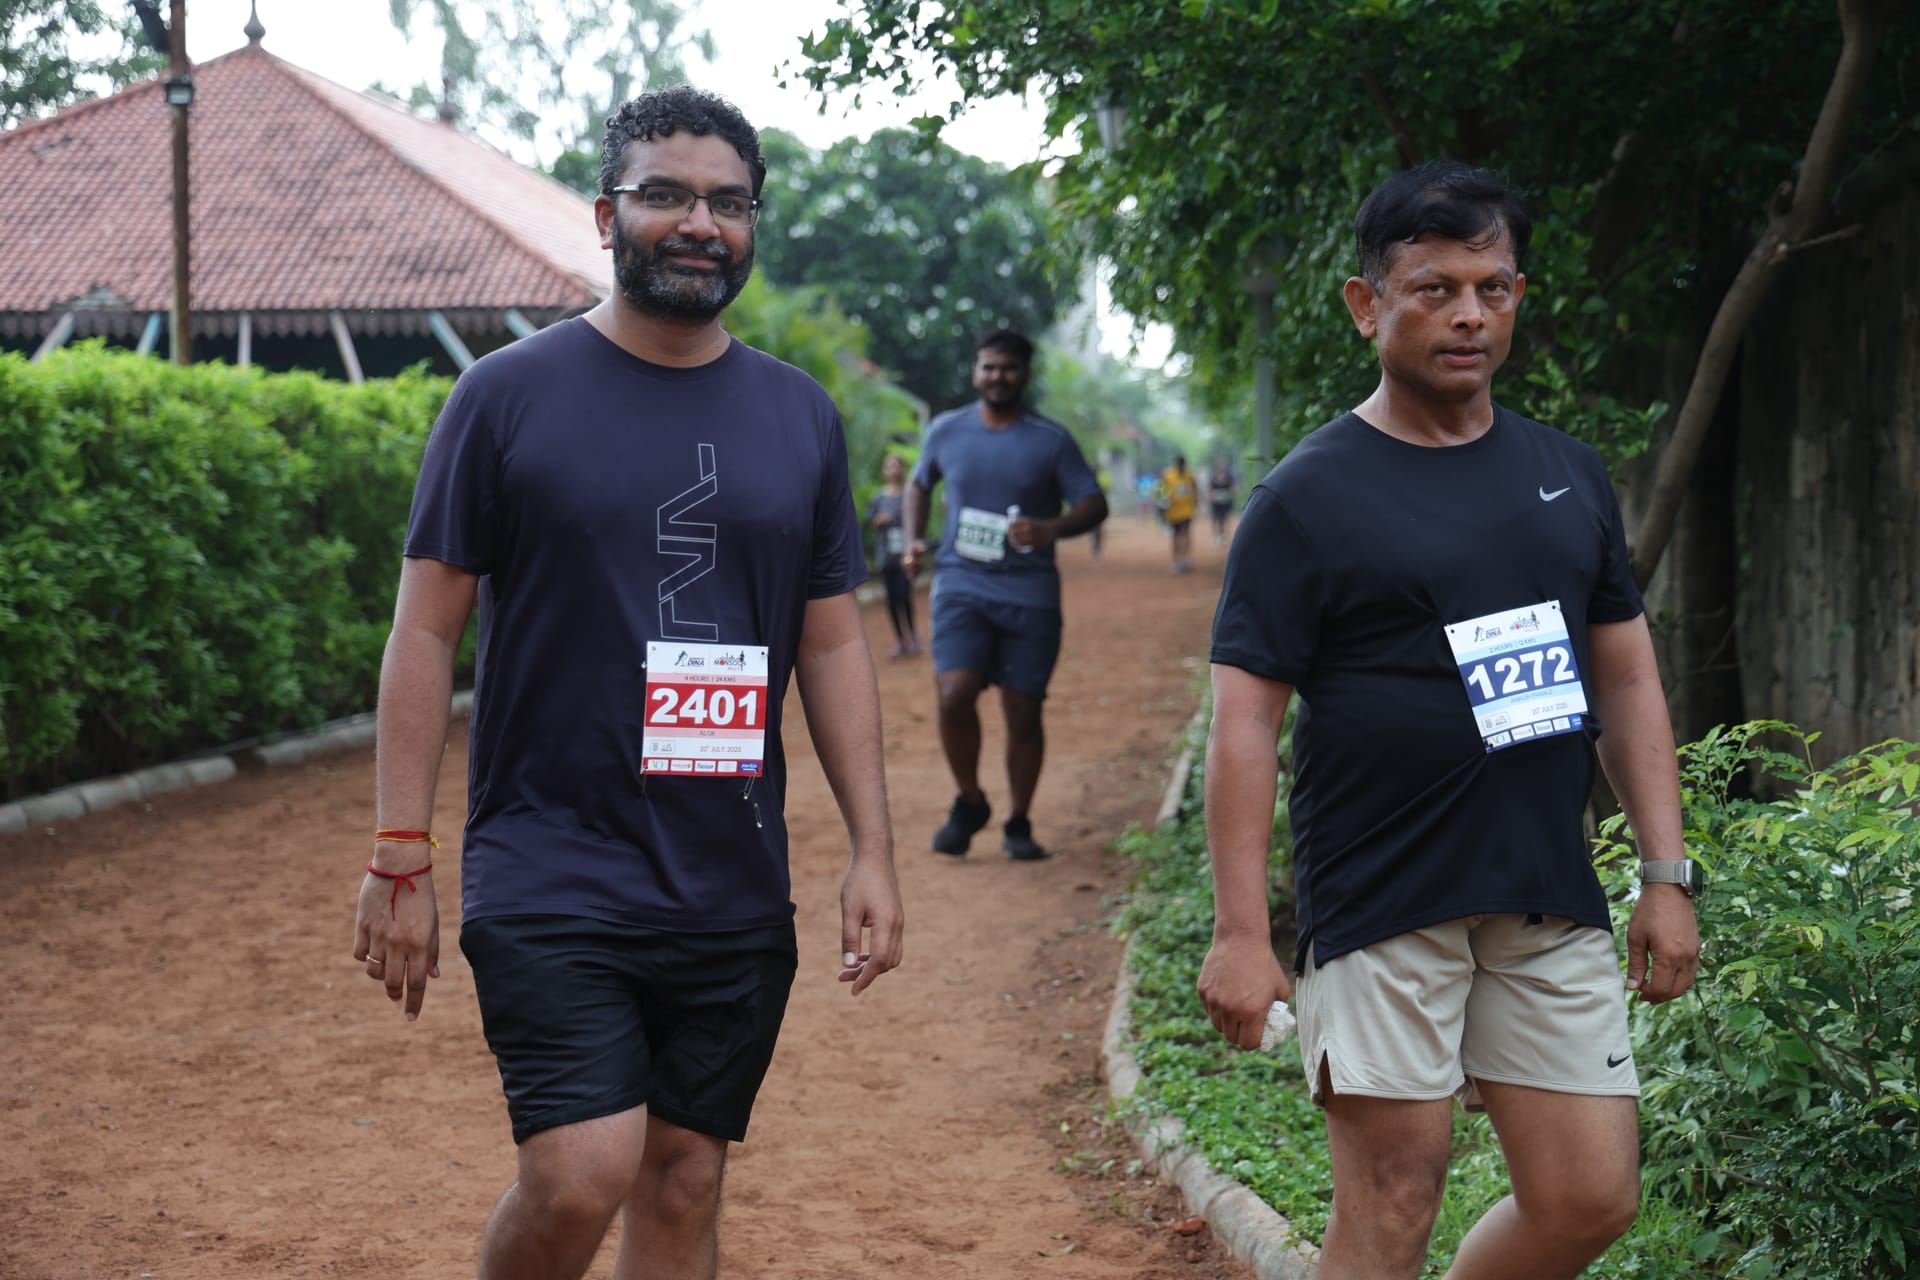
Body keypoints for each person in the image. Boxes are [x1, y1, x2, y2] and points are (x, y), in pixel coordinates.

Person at [352, 85, 905, 1280]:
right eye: (665, 194)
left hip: (731, 872)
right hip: (553, 855)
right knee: (580, 1172)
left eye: (727, 201)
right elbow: (424, 631)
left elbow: (833, 642)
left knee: (685, 1176)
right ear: (608, 216)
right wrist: (401, 846)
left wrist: (874, 846)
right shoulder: (503, 398)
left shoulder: (800, 416)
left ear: (752, 224)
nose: (698, 222)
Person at [1199, 161, 1700, 1280]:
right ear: (1366, 302)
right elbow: (1245, 722)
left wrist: (1664, 872)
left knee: (1589, 1196)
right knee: (1391, 1200)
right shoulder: (1307, 497)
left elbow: (1625, 679)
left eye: (1493, 285)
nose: (1469, 312)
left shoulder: (1567, 475)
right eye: (1433, 287)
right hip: (1383, 891)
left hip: (1540, 885)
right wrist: (1241, 928)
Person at [901, 329, 1107, 861]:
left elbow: (1093, 503)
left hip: (1029, 593)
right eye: (988, 367)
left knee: (1023, 709)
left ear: (1025, 374)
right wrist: (911, 542)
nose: (997, 376)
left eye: (1008, 368)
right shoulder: (947, 431)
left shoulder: (1051, 440)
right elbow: (919, 483)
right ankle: (969, 801)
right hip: (961, 584)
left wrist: (1049, 529)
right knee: (953, 694)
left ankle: (1018, 821)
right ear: (976, 372)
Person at [867, 451, 921, 656]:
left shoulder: (909, 494)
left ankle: (913, 636)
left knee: (904, 595)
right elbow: (872, 521)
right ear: (884, 471)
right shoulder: (878, 498)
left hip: (904, 555)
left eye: (897, 465)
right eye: (889, 465)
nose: (894, 469)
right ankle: (900, 640)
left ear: (903, 469)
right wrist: (880, 520)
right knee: (891, 599)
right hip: (886, 555)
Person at [1158, 454, 1198, 572]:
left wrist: (1195, 501)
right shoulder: (1169, 475)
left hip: (1187, 510)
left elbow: (1195, 488)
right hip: (1173, 511)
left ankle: (1185, 559)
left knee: (1185, 533)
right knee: (1176, 536)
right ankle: (1177, 560)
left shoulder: (1189, 475)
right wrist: (1164, 501)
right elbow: (1162, 489)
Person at [1206, 456, 1236, 545]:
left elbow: (1233, 489)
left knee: (1225, 519)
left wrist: (1228, 495)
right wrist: (1213, 496)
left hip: (1226, 502)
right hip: (1216, 503)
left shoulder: (1229, 477)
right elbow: (1209, 490)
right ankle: (1215, 536)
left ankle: (1224, 536)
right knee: (1216, 519)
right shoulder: (1213, 477)